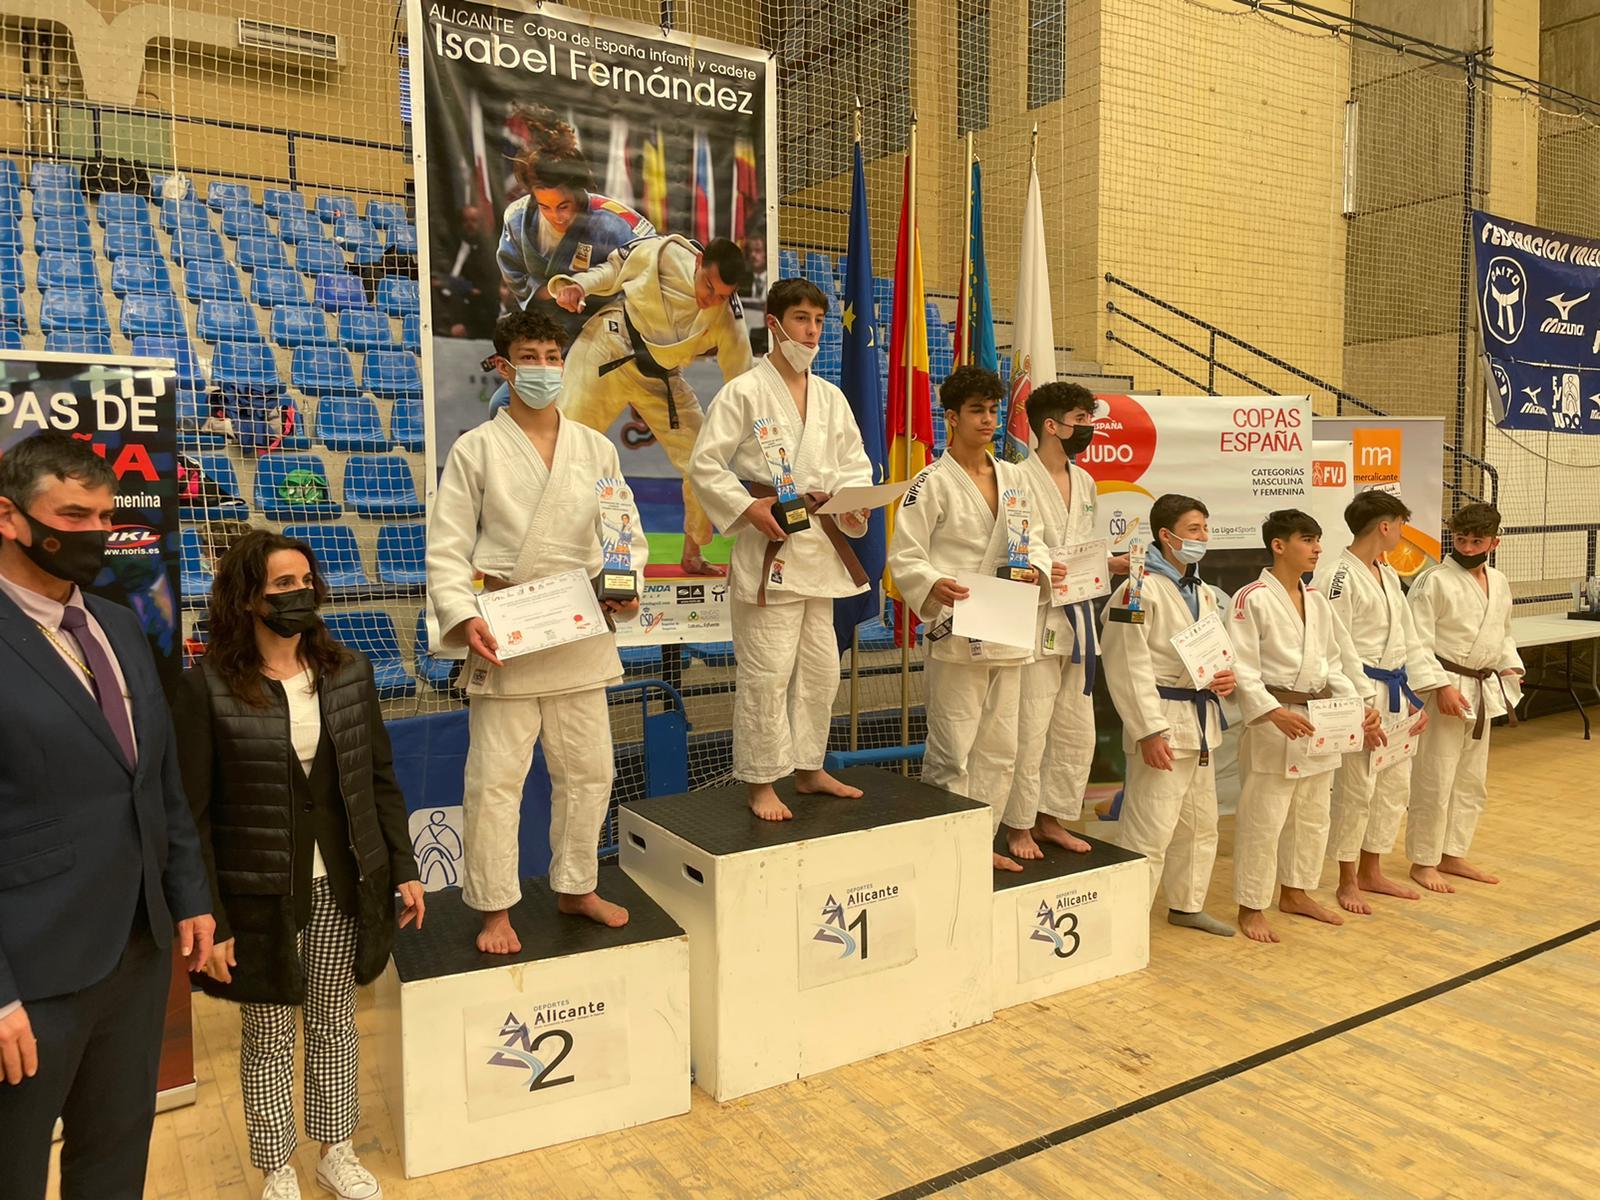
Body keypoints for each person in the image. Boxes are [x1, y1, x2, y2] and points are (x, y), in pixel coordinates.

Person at [176, 530, 425, 1200]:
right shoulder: (207, 688)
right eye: (282, 585)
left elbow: (378, 778)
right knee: (266, 1036)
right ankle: (277, 1166)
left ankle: (335, 1151)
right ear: (246, 597)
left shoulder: (348, 670)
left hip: (344, 885)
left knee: (335, 1022)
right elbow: (193, 816)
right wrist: (212, 916)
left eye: (305, 581)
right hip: (258, 896)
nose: (299, 594)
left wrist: (401, 863)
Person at [0, 431, 214, 1200]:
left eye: (103, 516)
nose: (94, 533)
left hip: (138, 948)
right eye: (73, 515)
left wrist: (189, 896)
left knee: (115, 1158)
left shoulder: (121, 624)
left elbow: (156, 781)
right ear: (9, 516)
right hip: (30, 971)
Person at [429, 309, 646, 952]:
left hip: (580, 624)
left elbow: (623, 530)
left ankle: (577, 883)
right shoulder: (476, 449)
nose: (547, 368)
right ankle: (495, 906)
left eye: (555, 356)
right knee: (496, 779)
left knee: (590, 770)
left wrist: (623, 585)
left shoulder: (596, 447)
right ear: (503, 364)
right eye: (532, 356)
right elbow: (446, 547)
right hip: (510, 628)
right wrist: (463, 614)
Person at [689, 277, 873, 820]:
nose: (812, 331)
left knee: (821, 670)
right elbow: (705, 464)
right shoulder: (744, 391)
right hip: (769, 544)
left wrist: (855, 503)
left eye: (818, 321)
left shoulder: (833, 398)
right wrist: (749, 508)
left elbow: (854, 464)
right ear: (773, 324)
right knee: (766, 673)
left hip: (819, 549)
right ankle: (761, 779)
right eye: (800, 319)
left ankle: (810, 767)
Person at [886, 366, 1051, 872]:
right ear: (952, 418)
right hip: (958, 625)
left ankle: (981, 843)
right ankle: (945, 847)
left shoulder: (1016, 476)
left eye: (993, 410)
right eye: (977, 410)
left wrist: (1037, 570)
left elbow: (1038, 540)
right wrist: (931, 583)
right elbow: (905, 556)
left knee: (1001, 748)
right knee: (953, 748)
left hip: (1008, 623)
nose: (987, 419)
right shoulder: (930, 483)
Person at [551, 234, 755, 575]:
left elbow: (742, 381)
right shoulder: (662, 252)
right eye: (708, 286)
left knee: (704, 462)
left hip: (660, 376)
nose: (711, 300)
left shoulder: (728, 318)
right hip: (608, 348)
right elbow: (613, 269)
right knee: (564, 446)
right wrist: (580, 286)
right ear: (697, 262)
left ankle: (693, 551)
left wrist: (748, 431)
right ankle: (550, 552)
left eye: (722, 295)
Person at [1228, 509, 1381, 944]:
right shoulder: (1251, 598)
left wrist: (1360, 703)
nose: (1317, 548)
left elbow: (1334, 662)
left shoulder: (1316, 600)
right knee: (1265, 818)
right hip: (1274, 723)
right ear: (1279, 545)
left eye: (1318, 540)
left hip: (1319, 720)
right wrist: (1270, 711)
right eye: (1306, 540)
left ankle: (1296, 892)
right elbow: (1241, 667)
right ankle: (1252, 904)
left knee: (1313, 815)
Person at [1000, 382, 1127, 860]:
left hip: (1079, 618)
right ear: (1051, 426)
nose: (1089, 428)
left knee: (1076, 729)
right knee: (1030, 726)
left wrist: (1107, 565)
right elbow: (1022, 543)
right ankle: (1018, 825)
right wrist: (1066, 565)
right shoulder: (1015, 477)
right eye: (1080, 419)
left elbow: (1082, 548)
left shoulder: (1087, 482)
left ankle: (1053, 818)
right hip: (1036, 616)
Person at [1101, 494, 1237, 936]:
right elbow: (1126, 664)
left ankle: (1186, 904)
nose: (1203, 538)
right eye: (1194, 530)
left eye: (1205, 529)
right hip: (1161, 719)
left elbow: (1216, 650)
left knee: (1200, 824)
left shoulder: (1200, 590)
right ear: (1167, 535)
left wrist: (1224, 677)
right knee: (1150, 826)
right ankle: (1127, 917)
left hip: (1199, 722)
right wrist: (1147, 731)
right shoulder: (1136, 588)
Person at [1322, 490, 1445, 912]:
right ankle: (1347, 879)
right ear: (1385, 526)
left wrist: (1414, 696)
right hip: (1362, 693)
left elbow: (1407, 638)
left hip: (1394, 691)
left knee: (1393, 787)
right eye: (1401, 524)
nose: (1403, 533)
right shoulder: (1339, 575)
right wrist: (1359, 703)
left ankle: (1373, 870)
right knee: (1356, 790)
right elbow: (1334, 647)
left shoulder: (1387, 573)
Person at [1405, 502, 1522, 892]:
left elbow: (1503, 633)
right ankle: (1423, 861)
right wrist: (1440, 687)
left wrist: (1508, 665)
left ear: (1494, 541)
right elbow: (1416, 641)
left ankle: (1453, 853)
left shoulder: (1500, 581)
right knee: (1434, 777)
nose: (1468, 547)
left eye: (1477, 541)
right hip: (1446, 686)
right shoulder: (1433, 581)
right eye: (1460, 539)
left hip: (1480, 688)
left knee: (1471, 780)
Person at [495, 105, 654, 339]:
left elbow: (652, 264)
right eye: (544, 207)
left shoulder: (614, 221)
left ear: (579, 192)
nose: (556, 216)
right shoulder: (517, 219)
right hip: (540, 332)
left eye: (563, 206)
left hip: (606, 334)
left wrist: (589, 287)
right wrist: (557, 290)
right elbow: (516, 279)